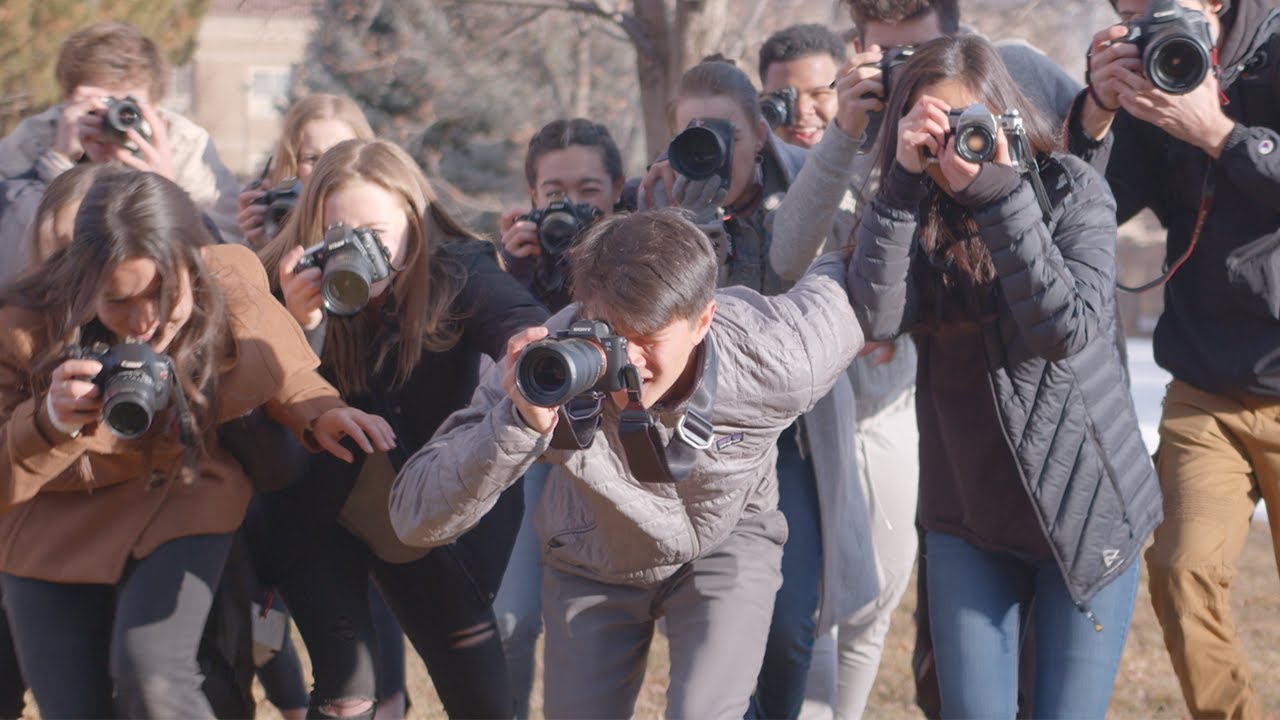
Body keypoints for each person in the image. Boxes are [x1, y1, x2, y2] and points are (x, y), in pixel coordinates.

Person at [390, 208, 865, 718]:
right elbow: (413, 516)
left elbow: (850, 279)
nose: (630, 362)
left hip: (728, 539)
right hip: (595, 552)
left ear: (703, 320)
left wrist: (900, 195)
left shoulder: (775, 355)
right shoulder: (552, 361)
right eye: (613, 334)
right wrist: (519, 421)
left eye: (648, 337)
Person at [764, 5, 1081, 716]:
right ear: (860, 48)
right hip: (842, 406)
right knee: (843, 611)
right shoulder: (852, 125)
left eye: (921, 52)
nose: (908, 72)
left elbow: (1079, 193)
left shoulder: (1006, 79)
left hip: (927, 400)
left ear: (957, 40)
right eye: (890, 57)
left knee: (890, 600)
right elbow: (788, 255)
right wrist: (849, 130)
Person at [0, 169, 393, 718]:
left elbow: (276, 363)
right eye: (117, 300)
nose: (143, 320)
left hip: (185, 493)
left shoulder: (229, 279)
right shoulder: (23, 325)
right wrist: (49, 420)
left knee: (155, 675)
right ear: (81, 279)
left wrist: (321, 412)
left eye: (160, 293)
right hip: (53, 525)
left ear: (197, 262)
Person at [847, 34, 1162, 717]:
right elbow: (876, 318)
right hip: (969, 516)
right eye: (938, 130)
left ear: (1006, 117)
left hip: (1086, 510)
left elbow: (1063, 330)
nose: (957, 149)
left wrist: (998, 194)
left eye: (972, 125)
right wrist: (900, 183)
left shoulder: (1071, 189)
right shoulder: (909, 209)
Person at [257, 138, 547, 719]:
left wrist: (532, 346)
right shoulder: (280, 279)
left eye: (375, 233)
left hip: (426, 512)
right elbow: (255, 401)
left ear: (416, 225)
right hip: (320, 509)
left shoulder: (456, 268)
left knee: (483, 700)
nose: (357, 250)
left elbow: (511, 314)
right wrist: (299, 324)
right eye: (339, 233)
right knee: (348, 695)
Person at [640, 57, 880, 720]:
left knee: (791, 626)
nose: (711, 151)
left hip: (794, 439)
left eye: (728, 136)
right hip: (702, 442)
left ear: (762, 135)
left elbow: (823, 259)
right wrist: (687, 223)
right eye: (693, 134)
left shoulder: (809, 180)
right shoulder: (655, 200)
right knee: (717, 626)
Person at [1069, 0, 1280, 716]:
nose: (1147, 19)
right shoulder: (1154, 76)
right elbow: (1091, 204)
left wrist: (1220, 135)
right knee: (1182, 574)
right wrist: (1097, 110)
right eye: (1130, 12)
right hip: (1205, 383)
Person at [491, 116, 624, 718]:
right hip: (534, 453)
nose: (571, 206)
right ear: (532, 198)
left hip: (615, 459)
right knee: (509, 620)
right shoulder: (514, 266)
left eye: (588, 191)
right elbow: (494, 370)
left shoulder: (640, 257)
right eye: (554, 193)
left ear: (618, 190)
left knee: (586, 637)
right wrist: (512, 276)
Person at [0, 21, 241, 244]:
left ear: (156, 107)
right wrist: (57, 165)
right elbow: (11, 254)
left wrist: (166, 192)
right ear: (68, 100)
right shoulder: (33, 139)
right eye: (99, 104)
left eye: (127, 109)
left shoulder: (184, 145)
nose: (112, 118)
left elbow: (224, 254)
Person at [238, 93, 376, 250]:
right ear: (292, 165)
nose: (325, 169)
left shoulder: (385, 217)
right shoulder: (276, 217)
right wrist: (265, 244)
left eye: (339, 156)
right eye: (312, 158)